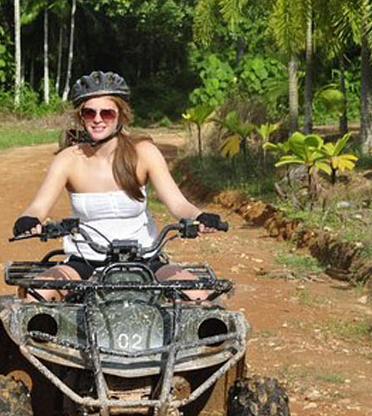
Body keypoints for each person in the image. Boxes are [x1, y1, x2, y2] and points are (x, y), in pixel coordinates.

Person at [12, 71, 225, 301]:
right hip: (84, 263)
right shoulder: (68, 159)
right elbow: (38, 207)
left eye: (107, 112)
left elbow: (178, 204)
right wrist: (29, 220)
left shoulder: (143, 153)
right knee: (36, 295)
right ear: (80, 116)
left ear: (121, 116)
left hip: (145, 261)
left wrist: (200, 216)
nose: (97, 119)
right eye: (89, 112)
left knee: (198, 296)